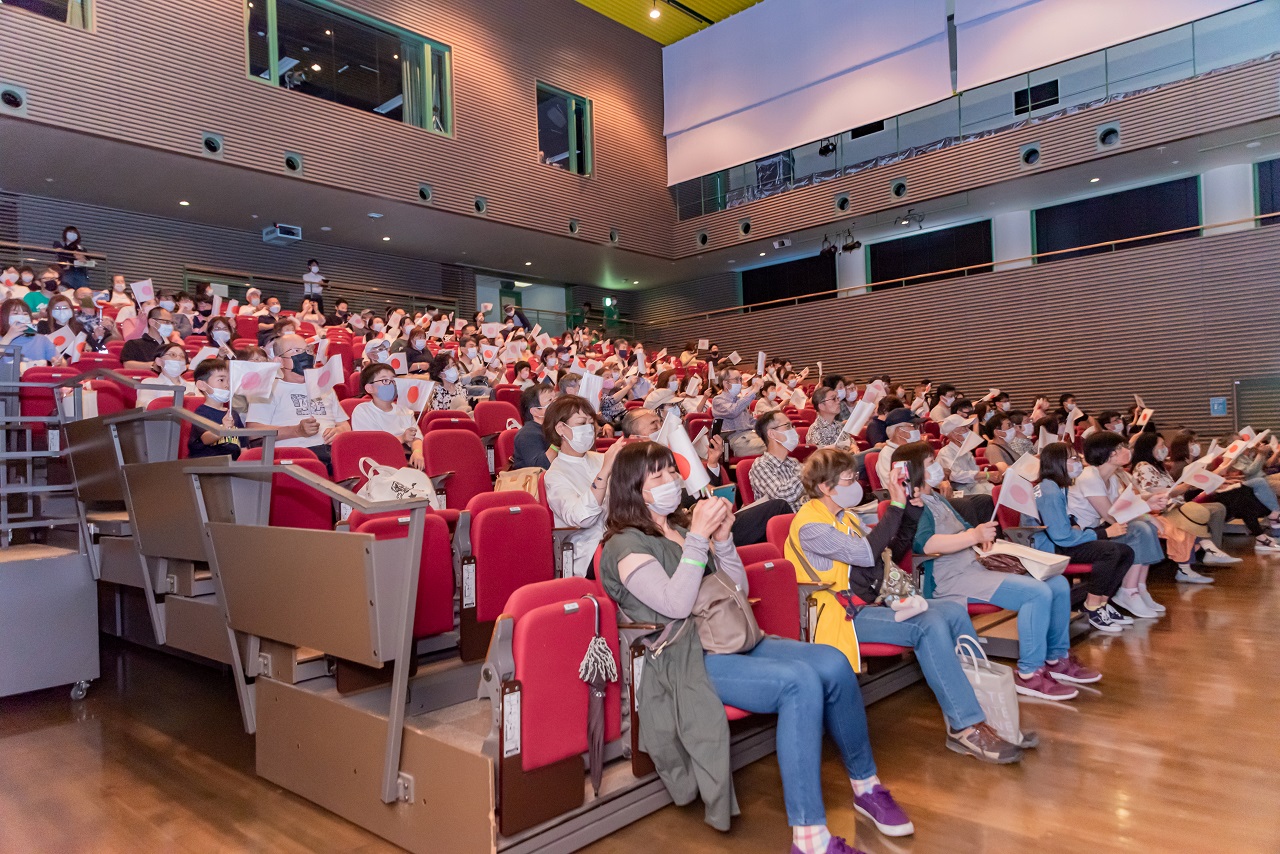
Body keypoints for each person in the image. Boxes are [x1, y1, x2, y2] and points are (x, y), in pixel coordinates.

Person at [599, 441, 913, 851]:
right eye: (656, 476)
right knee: (798, 682)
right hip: (681, 659)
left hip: (728, 635)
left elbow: (737, 590)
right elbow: (675, 605)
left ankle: (866, 784)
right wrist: (697, 539)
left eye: (671, 473)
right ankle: (810, 836)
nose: (670, 481)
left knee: (833, 662)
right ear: (632, 488)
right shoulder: (625, 545)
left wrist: (724, 541)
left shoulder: (677, 528)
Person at [787, 449, 1026, 764]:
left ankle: (986, 708)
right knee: (926, 625)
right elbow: (864, 554)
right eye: (848, 479)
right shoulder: (811, 526)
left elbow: (888, 553)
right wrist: (896, 505)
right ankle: (965, 725)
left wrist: (909, 514)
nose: (856, 483)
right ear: (825, 487)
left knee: (951, 612)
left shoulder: (844, 517)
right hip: (837, 615)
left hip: (866, 603)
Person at [902, 441, 1099, 700]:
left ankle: (1057, 657)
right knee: (1036, 594)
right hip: (949, 578)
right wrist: (973, 535)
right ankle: (1029, 673)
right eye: (931, 464)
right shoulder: (914, 504)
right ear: (914, 470)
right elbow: (926, 544)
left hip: (973, 566)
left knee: (1058, 584)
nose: (939, 467)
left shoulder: (936, 497)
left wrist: (980, 536)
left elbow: (964, 529)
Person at [1031, 443, 1136, 633]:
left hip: (1059, 540)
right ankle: (1092, 607)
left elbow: (1059, 519)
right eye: (1073, 459)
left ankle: (1102, 603)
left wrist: (1072, 520)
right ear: (1057, 463)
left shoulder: (1056, 486)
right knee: (1110, 551)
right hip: (1049, 548)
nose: (1079, 462)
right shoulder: (1050, 491)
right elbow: (1062, 537)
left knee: (1126, 552)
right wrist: (1103, 533)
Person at [1130, 432, 1278, 557]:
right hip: (1174, 504)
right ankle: (1270, 523)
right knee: (1242, 493)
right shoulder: (1146, 466)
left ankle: (1264, 529)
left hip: (1185, 499)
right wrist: (1195, 483)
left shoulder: (1160, 467)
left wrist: (1217, 477)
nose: (1165, 449)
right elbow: (1163, 491)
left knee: (1242, 493)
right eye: (1161, 445)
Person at [1070, 432, 1169, 619]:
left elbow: (1122, 506)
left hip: (1098, 529)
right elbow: (1111, 515)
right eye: (1122, 447)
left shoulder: (1113, 478)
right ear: (1111, 453)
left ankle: (1139, 587)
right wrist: (1147, 509)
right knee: (1138, 530)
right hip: (1083, 535)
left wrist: (1148, 516)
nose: (1128, 450)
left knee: (1147, 527)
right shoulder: (1089, 477)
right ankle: (1128, 591)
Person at [541, 395, 625, 577]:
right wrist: (603, 473)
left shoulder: (600, 458)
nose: (589, 429)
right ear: (561, 428)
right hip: (588, 550)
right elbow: (582, 518)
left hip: (621, 539)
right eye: (581, 424)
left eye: (591, 422)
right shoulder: (555, 475)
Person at [245, 333, 350, 468]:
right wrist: (296, 431)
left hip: (334, 453)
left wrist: (339, 431)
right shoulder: (267, 389)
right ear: (280, 361)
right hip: (295, 456)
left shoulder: (325, 387)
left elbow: (345, 425)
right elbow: (254, 432)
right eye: (296, 351)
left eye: (307, 350)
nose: (304, 355)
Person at [350, 363, 423, 469]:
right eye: (385, 381)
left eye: (393, 380)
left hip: (406, 462)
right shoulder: (362, 411)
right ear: (370, 388)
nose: (391, 384)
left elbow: (417, 438)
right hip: (379, 465)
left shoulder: (405, 410)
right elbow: (373, 445)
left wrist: (417, 452)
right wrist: (402, 438)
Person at [749, 410, 806, 511]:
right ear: (772, 434)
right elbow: (783, 497)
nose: (793, 431)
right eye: (788, 426)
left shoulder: (793, 462)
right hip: (787, 523)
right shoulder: (761, 465)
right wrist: (810, 470)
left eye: (792, 426)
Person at [188, 358, 244, 459]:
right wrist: (223, 428)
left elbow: (243, 446)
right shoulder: (201, 412)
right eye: (221, 380)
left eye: (229, 380)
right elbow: (206, 438)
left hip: (233, 467)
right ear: (202, 385)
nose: (227, 385)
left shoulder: (233, 414)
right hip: (208, 466)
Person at [936, 414, 1001, 496]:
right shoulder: (945, 453)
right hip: (962, 492)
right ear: (953, 433)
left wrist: (988, 476)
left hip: (976, 487)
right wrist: (986, 475)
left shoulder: (966, 452)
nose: (968, 431)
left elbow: (975, 474)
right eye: (964, 428)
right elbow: (956, 476)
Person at [711, 368, 764, 456]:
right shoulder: (718, 400)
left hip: (752, 435)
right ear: (726, 383)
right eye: (736, 379)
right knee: (774, 447)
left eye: (740, 379)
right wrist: (754, 391)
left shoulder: (739, 400)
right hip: (736, 440)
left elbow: (751, 421)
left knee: (777, 441)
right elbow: (733, 411)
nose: (740, 382)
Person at [874, 408, 921, 492]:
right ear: (899, 431)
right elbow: (894, 487)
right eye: (913, 426)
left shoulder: (914, 449)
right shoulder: (887, 454)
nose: (917, 430)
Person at [511, 383, 556, 470]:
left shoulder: (552, 426)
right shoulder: (527, 434)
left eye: (555, 399)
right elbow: (540, 467)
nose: (556, 403)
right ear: (535, 411)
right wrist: (557, 443)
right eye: (550, 400)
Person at [137, 342, 195, 408]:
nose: (178, 359)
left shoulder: (194, 386)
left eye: (182, 356)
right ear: (159, 361)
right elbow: (145, 407)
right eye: (173, 355)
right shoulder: (149, 383)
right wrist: (179, 401)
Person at [0, 298, 56, 364]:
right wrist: (8, 337)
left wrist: (58, 362)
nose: (22, 316)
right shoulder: (2, 339)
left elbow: (60, 362)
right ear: (4, 317)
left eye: (25, 314)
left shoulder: (42, 339)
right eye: (15, 313)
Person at [52, 225, 90, 291]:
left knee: (83, 291)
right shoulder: (59, 244)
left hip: (80, 273)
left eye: (74, 233)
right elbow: (61, 254)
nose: (72, 234)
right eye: (70, 232)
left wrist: (83, 259)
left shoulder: (81, 248)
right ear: (65, 233)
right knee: (66, 291)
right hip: (66, 272)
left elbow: (89, 261)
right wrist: (75, 257)